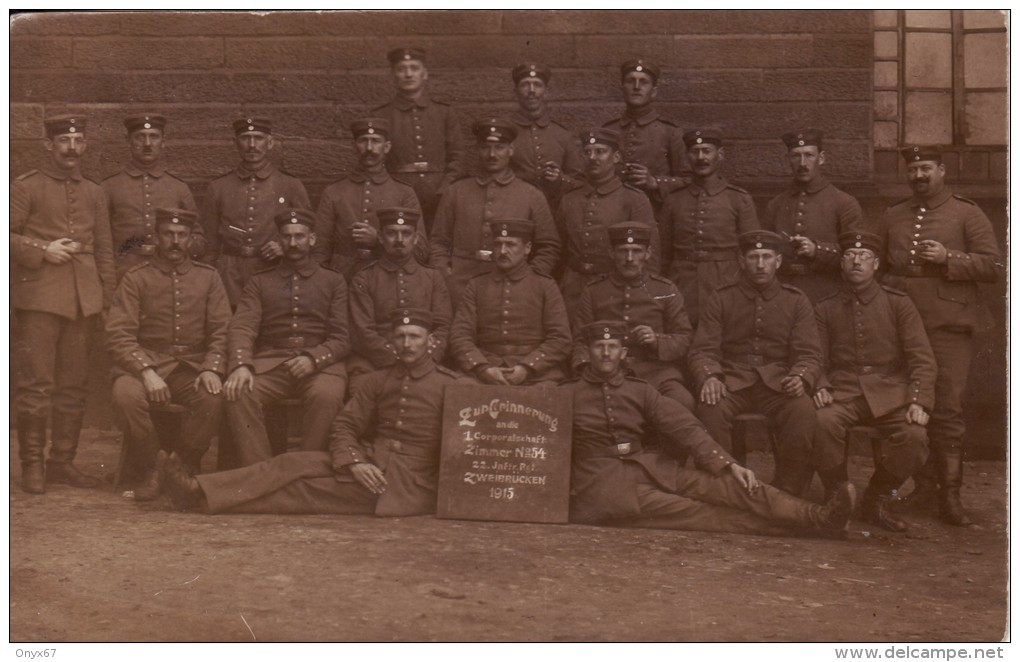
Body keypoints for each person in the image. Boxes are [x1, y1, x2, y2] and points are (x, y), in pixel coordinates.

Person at [159, 309, 461, 517]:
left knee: (302, 491)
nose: (407, 344)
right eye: (401, 336)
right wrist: (355, 461)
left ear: (430, 341)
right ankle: (197, 489)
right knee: (290, 462)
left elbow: (459, 451)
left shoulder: (451, 386)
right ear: (392, 341)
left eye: (415, 337)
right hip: (369, 461)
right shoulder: (378, 380)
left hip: (404, 487)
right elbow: (344, 425)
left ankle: (199, 495)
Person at [564, 320, 855, 537]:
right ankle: (811, 527)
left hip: (648, 467)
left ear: (623, 352)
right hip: (603, 486)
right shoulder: (566, 394)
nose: (605, 353)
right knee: (707, 514)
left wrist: (727, 464)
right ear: (587, 353)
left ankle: (819, 515)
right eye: (598, 347)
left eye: (612, 347)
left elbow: (684, 426)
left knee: (734, 486)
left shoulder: (639, 390)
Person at [877, 145, 1002, 526]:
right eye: (913, 169)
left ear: (942, 170)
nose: (919, 176)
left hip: (949, 322)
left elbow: (994, 266)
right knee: (905, 404)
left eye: (926, 168)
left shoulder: (968, 212)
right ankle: (924, 486)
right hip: (901, 322)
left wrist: (950, 258)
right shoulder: (893, 215)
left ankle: (950, 496)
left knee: (945, 407)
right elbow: (879, 264)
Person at [11, 114, 115, 494]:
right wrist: (42, 249)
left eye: (78, 141)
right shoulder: (25, 187)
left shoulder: (94, 192)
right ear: (48, 145)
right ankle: (32, 463)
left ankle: (62, 462)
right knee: (37, 384)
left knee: (74, 385)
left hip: (83, 299)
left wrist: (106, 298)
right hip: (39, 296)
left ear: (85, 145)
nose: (72, 148)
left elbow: (104, 247)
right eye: (64, 142)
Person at [812, 231, 936, 532]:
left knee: (915, 437)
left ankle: (877, 497)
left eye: (864, 256)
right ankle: (837, 494)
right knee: (820, 421)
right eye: (850, 256)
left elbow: (922, 357)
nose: (856, 261)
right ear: (841, 264)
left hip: (891, 393)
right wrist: (820, 384)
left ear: (876, 264)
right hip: (844, 391)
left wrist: (919, 400)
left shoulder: (898, 304)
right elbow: (814, 355)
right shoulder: (825, 308)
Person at [105, 208, 230, 499]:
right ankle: (153, 466)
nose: (175, 241)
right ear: (157, 237)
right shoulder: (136, 277)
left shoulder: (209, 277)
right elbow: (118, 333)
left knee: (213, 398)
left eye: (182, 235)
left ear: (190, 239)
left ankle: (181, 466)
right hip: (146, 363)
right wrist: (146, 371)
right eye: (168, 234)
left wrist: (211, 368)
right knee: (125, 396)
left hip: (190, 366)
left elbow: (222, 329)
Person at [688, 230, 822, 495]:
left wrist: (800, 377)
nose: (760, 264)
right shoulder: (721, 297)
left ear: (779, 261)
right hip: (732, 380)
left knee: (802, 410)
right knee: (710, 408)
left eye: (766, 257)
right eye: (753, 257)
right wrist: (710, 377)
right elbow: (702, 349)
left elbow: (809, 353)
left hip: (778, 382)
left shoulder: (795, 300)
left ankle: (788, 489)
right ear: (741, 260)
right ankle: (724, 488)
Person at [223, 209, 349, 466]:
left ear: (312, 239)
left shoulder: (333, 281)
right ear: (278, 240)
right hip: (271, 363)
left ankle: (303, 469)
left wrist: (313, 359)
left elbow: (343, 337)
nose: (293, 243)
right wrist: (241, 364)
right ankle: (260, 471)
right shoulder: (259, 281)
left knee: (327, 395)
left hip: (321, 366)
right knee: (239, 392)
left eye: (299, 236)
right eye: (287, 237)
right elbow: (242, 327)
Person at [430, 117, 560, 305]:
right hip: (459, 285)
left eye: (499, 147)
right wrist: (444, 273)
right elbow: (438, 241)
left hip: (512, 285)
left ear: (511, 150)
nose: (492, 154)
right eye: (485, 147)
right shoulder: (456, 191)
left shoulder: (531, 194)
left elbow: (549, 246)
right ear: (478, 150)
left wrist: (529, 278)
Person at [572, 222, 694, 411]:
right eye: (623, 251)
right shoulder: (593, 290)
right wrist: (587, 369)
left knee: (681, 402)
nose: (629, 258)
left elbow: (684, 338)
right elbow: (579, 340)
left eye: (636, 251)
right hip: (605, 372)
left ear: (648, 253)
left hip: (656, 373)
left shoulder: (665, 289)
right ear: (612, 253)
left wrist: (657, 341)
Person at [200, 117, 311, 306]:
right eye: (245, 138)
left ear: (270, 143)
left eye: (258, 138)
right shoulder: (218, 187)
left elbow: (309, 233)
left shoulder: (290, 185)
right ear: (235, 143)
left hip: (273, 270)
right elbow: (209, 241)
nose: (252, 145)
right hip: (229, 274)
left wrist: (283, 247)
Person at [449, 219, 571, 386]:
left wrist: (528, 367)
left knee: (548, 392)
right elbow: (460, 335)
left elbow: (560, 338)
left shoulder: (545, 285)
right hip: (487, 367)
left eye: (511, 245)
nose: (503, 251)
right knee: (462, 387)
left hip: (537, 373)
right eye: (498, 245)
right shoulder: (476, 285)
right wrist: (482, 368)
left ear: (527, 248)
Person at [658, 128, 759, 324]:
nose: (701, 157)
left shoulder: (738, 199)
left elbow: (751, 251)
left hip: (726, 283)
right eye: (695, 152)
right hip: (682, 283)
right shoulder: (674, 200)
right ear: (687, 157)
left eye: (707, 151)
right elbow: (664, 252)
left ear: (719, 155)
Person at [556, 128, 658, 319]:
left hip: (614, 288)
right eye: (587, 152)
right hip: (573, 287)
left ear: (616, 156)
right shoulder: (569, 199)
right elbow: (559, 248)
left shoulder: (633, 198)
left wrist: (641, 296)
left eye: (600, 151)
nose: (593, 157)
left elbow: (651, 254)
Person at [312, 117, 427, 282]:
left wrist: (378, 241)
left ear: (386, 147)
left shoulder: (404, 193)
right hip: (343, 278)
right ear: (354, 146)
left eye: (376, 141)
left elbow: (421, 250)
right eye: (363, 141)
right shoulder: (333, 192)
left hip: (390, 279)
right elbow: (319, 250)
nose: (369, 148)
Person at [348, 207, 452, 384]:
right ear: (380, 237)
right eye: (392, 233)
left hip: (424, 362)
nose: (399, 240)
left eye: (406, 233)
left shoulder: (433, 277)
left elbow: (443, 326)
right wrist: (394, 359)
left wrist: (428, 358)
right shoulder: (364, 278)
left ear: (416, 238)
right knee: (363, 388)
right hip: (375, 363)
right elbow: (362, 332)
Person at [761, 129, 864, 302]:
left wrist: (818, 250)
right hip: (782, 293)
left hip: (826, 293)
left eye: (809, 155)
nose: (802, 163)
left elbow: (856, 254)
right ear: (788, 160)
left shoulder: (844, 202)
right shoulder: (776, 204)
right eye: (796, 156)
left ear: (821, 158)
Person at [373, 47, 464, 233]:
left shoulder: (444, 113)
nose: (408, 74)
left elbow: (458, 155)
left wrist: (445, 188)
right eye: (401, 69)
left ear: (425, 74)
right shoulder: (381, 115)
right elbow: (375, 160)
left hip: (439, 192)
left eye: (414, 68)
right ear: (393, 75)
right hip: (398, 193)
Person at [102, 113, 203, 280]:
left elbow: (198, 236)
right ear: (128, 141)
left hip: (168, 276)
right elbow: (100, 239)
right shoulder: (109, 187)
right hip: (123, 273)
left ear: (163, 142)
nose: (147, 144)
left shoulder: (178, 188)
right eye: (140, 137)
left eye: (154, 137)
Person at [602, 59, 685, 198]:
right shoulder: (607, 130)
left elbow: (688, 180)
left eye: (644, 82)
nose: (636, 87)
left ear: (654, 92)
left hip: (655, 212)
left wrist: (655, 182)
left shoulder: (671, 132)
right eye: (630, 81)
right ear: (622, 89)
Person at [507, 62, 584, 209]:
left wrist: (559, 179)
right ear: (515, 91)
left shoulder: (562, 135)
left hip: (553, 210)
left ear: (546, 92)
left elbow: (580, 182)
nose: (531, 90)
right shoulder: (505, 132)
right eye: (525, 85)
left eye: (537, 85)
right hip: (513, 209)